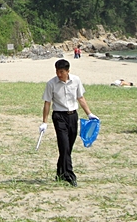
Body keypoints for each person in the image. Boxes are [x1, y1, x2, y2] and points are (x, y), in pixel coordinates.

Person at [41, 58, 98, 187]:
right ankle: (69, 175)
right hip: (59, 116)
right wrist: (44, 122)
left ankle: (60, 172)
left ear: (68, 71)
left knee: (68, 147)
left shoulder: (76, 80)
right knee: (64, 145)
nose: (59, 74)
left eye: (61, 71)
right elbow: (47, 103)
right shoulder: (51, 84)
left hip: (73, 115)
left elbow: (80, 98)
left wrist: (89, 114)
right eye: (57, 71)